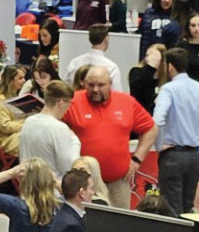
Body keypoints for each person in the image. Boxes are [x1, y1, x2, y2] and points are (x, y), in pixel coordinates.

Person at [65, 64, 155, 207]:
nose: (95, 89)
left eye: (101, 85)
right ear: (84, 83)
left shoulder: (127, 102)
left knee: (118, 225)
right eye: (91, 85)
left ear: (110, 84)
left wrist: (137, 159)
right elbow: (55, 125)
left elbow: (151, 129)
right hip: (83, 184)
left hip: (118, 183)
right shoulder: (73, 101)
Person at [152, 48, 199, 213]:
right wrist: (192, 131)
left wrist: (159, 145)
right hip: (194, 156)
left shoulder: (168, 89)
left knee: (171, 209)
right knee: (188, 208)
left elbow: (157, 120)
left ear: (170, 66)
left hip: (173, 155)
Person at [18, 79, 80, 178]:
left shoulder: (28, 122)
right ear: (60, 102)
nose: (69, 108)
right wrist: (75, 141)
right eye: (69, 103)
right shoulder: (59, 128)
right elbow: (69, 166)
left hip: (28, 184)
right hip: (51, 188)